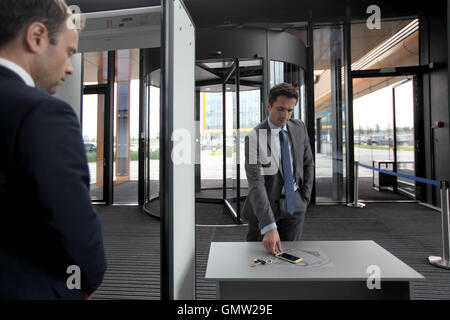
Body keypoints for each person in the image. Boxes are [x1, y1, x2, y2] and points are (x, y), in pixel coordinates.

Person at [0, 0, 106, 299]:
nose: (71, 68)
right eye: (70, 52)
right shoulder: (42, 113)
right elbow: (73, 225)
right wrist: (88, 281)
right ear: (36, 37)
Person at [243, 82, 314, 255]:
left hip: (295, 205)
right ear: (269, 106)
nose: (285, 115)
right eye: (280, 109)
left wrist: (304, 199)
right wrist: (268, 225)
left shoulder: (299, 128)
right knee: (257, 262)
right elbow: (256, 184)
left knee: (289, 259)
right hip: (264, 208)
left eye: (290, 110)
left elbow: (308, 164)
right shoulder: (254, 137)